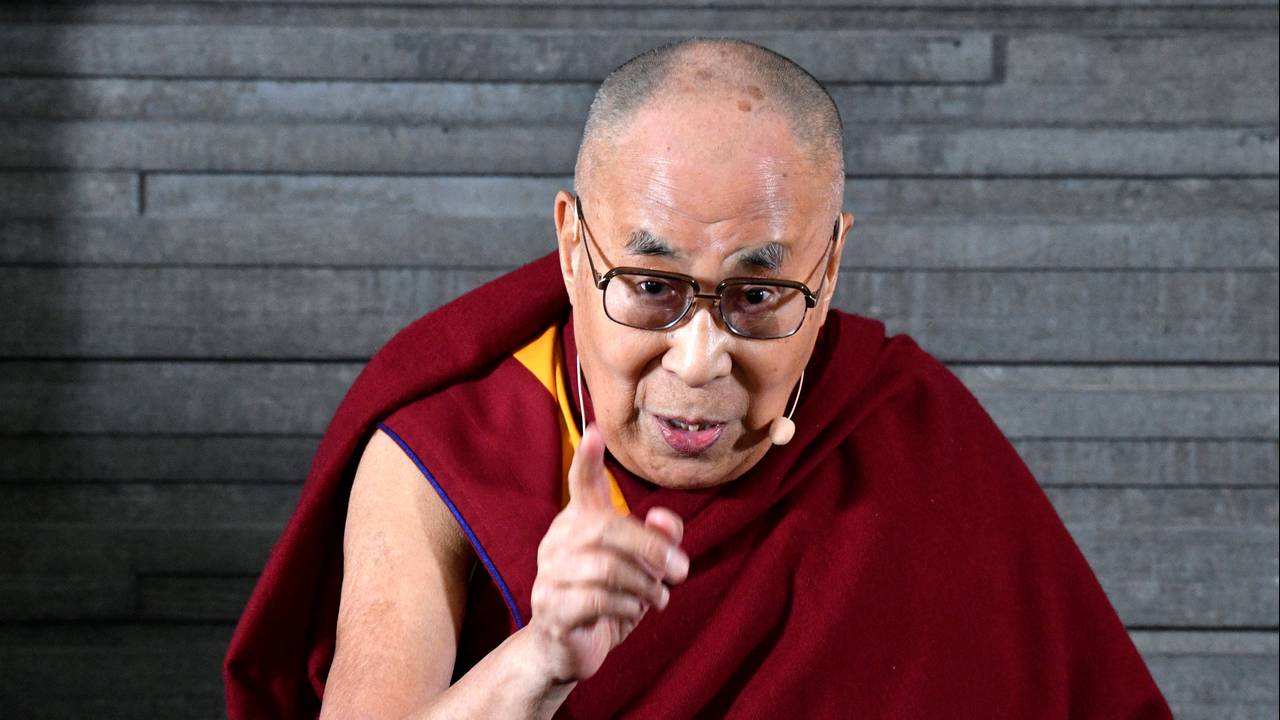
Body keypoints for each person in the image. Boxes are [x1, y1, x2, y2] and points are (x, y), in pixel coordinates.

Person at [224, 39, 1172, 718]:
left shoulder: (912, 429)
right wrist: (539, 663)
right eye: (651, 287)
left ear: (831, 267)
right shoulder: (444, 455)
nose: (699, 357)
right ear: (571, 249)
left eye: (758, 296)